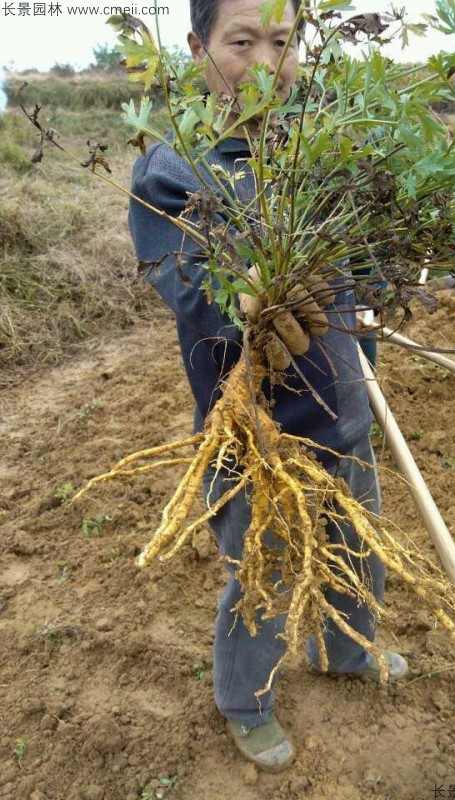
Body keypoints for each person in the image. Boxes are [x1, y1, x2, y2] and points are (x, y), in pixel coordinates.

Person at [128, 0, 409, 773]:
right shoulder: (174, 169)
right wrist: (252, 297)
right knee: (263, 570)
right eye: (241, 41)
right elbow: (189, 290)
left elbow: (362, 267)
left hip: (342, 409)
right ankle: (244, 701)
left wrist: (373, 315)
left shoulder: (320, 148)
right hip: (253, 432)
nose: (263, 64)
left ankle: (346, 651)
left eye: (281, 42)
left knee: (356, 544)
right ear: (197, 47)